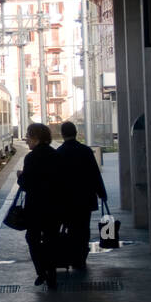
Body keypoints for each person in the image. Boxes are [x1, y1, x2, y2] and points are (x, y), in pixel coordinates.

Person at [55, 121, 108, 270]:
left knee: (70, 228)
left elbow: (55, 179)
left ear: (62, 134)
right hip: (85, 199)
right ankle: (81, 258)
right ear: (76, 133)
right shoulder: (85, 151)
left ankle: (71, 256)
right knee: (83, 228)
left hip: (66, 200)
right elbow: (95, 174)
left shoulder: (58, 152)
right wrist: (102, 193)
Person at [17, 122, 61, 290]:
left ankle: (41, 271)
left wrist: (20, 176)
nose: (26, 139)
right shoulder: (56, 155)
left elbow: (26, 184)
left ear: (36, 138)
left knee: (32, 238)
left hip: (35, 207)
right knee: (51, 240)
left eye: (28, 136)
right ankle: (52, 275)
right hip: (54, 206)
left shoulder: (31, 157)